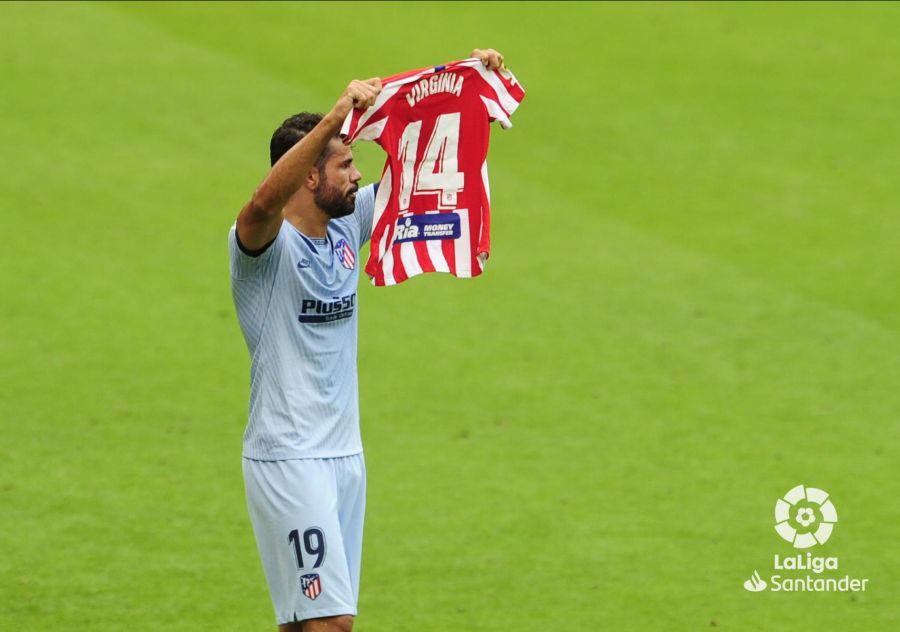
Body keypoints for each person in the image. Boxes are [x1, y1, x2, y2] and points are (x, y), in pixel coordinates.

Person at [229, 49, 506, 632]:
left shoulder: (350, 222)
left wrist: (470, 82)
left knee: (306, 622)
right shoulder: (261, 249)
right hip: (289, 456)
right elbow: (260, 204)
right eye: (346, 164)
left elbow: (431, 174)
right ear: (309, 175)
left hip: (346, 457)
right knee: (331, 623)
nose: (358, 175)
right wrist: (333, 119)